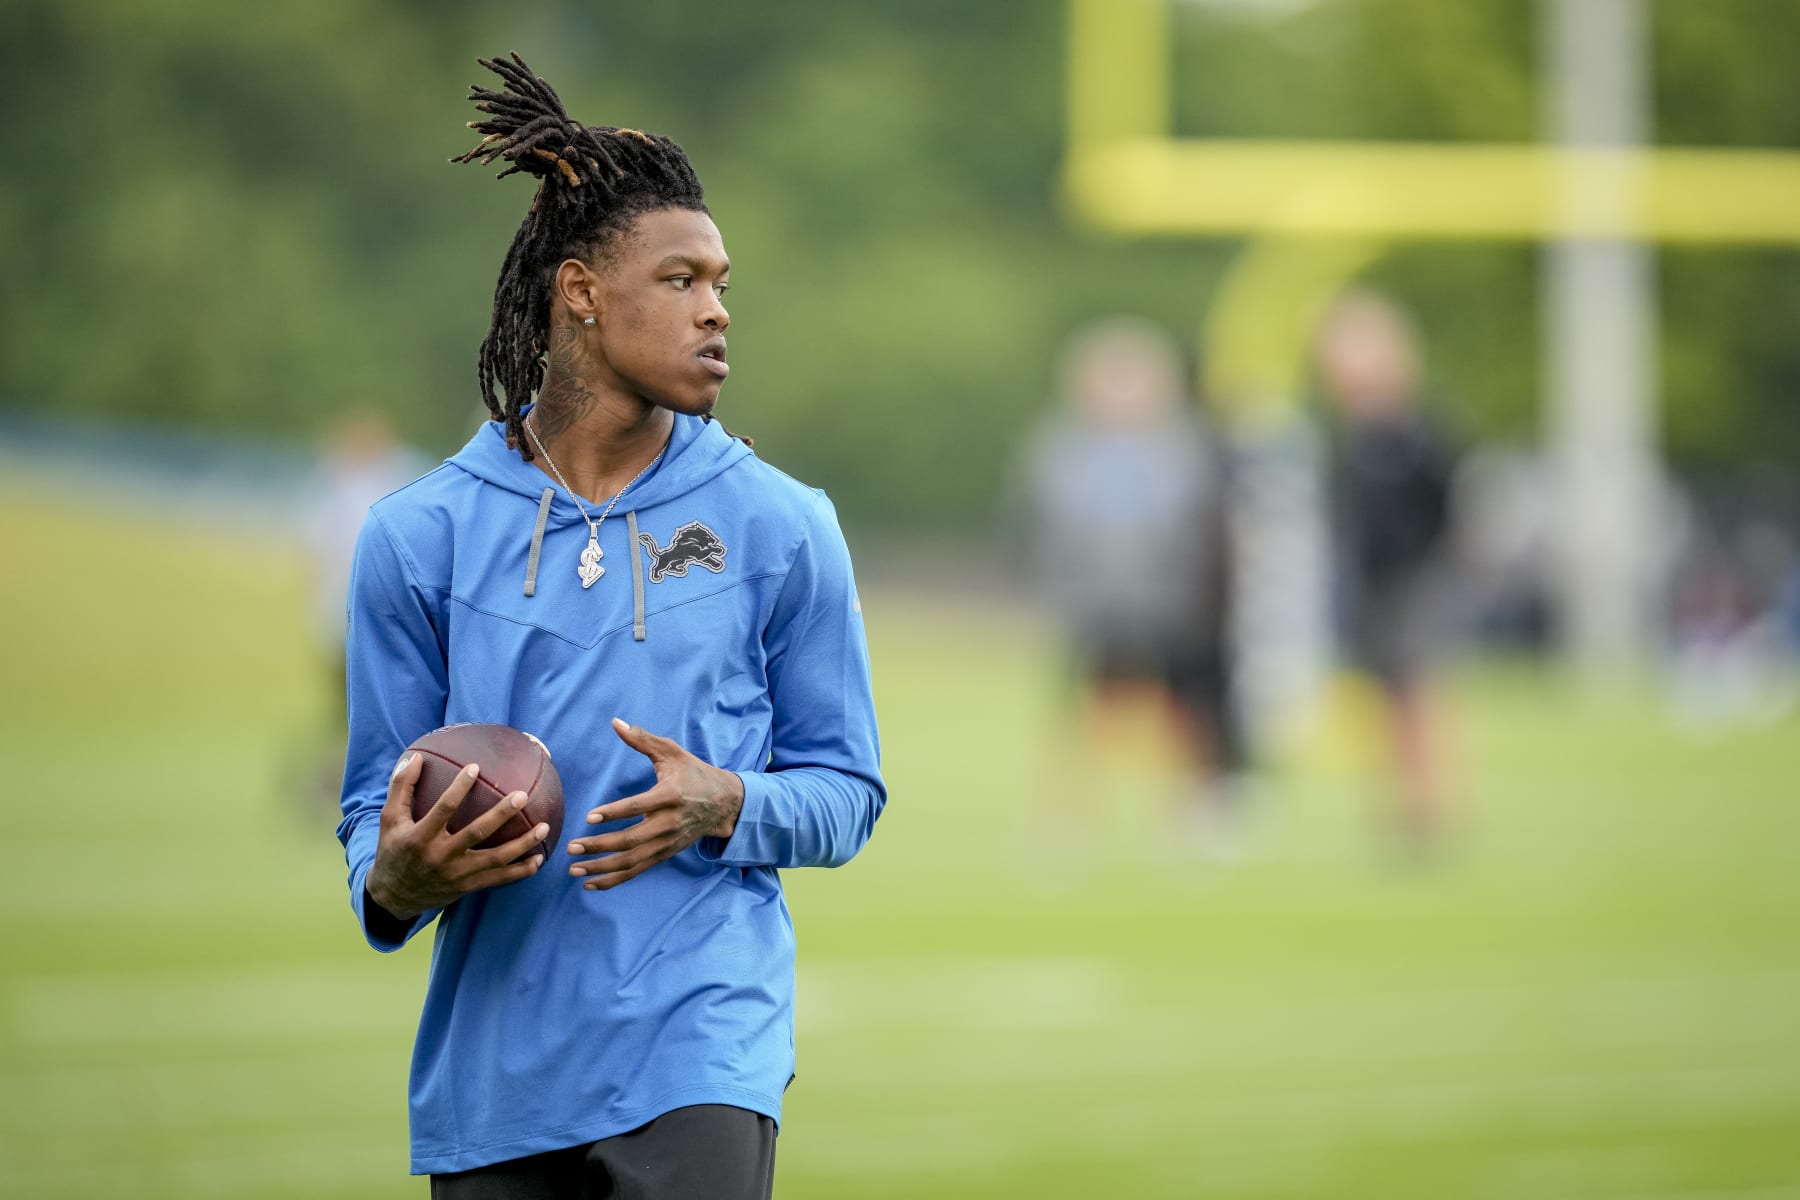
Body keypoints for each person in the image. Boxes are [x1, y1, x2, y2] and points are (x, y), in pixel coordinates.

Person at [334, 53, 885, 1198]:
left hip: (701, 1048)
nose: (718, 307)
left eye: (722, 281)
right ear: (580, 291)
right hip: (494, 1080)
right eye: (681, 279)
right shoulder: (415, 536)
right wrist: (397, 880)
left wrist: (727, 801)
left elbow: (848, 789)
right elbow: (369, 812)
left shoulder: (784, 525)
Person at [1007, 318, 1244, 853]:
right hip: (1094, 605)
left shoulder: (1183, 452)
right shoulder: (1060, 453)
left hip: (1169, 606)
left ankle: (1197, 815)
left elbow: (1203, 532)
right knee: (1088, 715)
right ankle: (1067, 822)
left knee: (1182, 714)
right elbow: (1038, 529)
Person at [1314, 290, 1459, 854]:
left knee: (1419, 696)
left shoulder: (1415, 431)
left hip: (1414, 582)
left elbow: (1446, 507)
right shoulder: (1349, 434)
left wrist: (1433, 570)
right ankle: (1394, 804)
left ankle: (1431, 807)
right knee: (1379, 701)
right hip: (1368, 583)